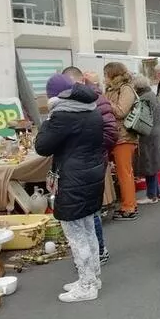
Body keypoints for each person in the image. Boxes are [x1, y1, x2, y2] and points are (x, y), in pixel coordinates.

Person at [35, 74, 106, 303]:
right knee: (87, 229)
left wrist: (48, 119)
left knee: (76, 234)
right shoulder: (91, 108)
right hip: (92, 173)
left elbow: (42, 147)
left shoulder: (62, 115)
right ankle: (92, 277)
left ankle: (86, 286)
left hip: (73, 178)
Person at [62, 66, 117, 264]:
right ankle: (92, 255)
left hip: (92, 161)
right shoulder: (73, 102)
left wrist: (88, 148)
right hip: (84, 161)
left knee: (90, 210)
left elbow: (111, 133)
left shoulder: (96, 100)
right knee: (86, 210)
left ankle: (98, 252)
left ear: (78, 82)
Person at [104, 62, 139, 221]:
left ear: (112, 74)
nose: (104, 78)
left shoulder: (126, 89)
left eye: (106, 74)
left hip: (124, 137)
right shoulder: (113, 89)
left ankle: (129, 207)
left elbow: (121, 111)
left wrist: (105, 103)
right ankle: (128, 204)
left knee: (125, 173)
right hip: (117, 136)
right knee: (122, 173)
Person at [132, 76, 160, 205]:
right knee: (153, 164)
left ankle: (151, 195)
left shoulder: (144, 98)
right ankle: (157, 193)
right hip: (156, 132)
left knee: (149, 164)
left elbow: (141, 120)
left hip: (149, 135)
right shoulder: (151, 94)